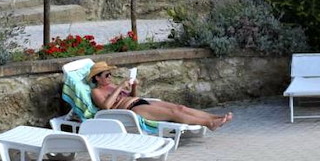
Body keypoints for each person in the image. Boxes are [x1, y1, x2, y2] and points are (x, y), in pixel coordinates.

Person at [89, 62, 233, 130]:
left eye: (110, 74)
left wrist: (134, 86)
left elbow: (131, 96)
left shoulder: (112, 86)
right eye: (106, 75)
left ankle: (214, 117)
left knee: (180, 108)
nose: (110, 77)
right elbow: (106, 106)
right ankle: (208, 124)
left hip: (140, 101)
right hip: (132, 110)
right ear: (97, 78)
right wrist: (120, 86)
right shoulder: (96, 91)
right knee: (173, 114)